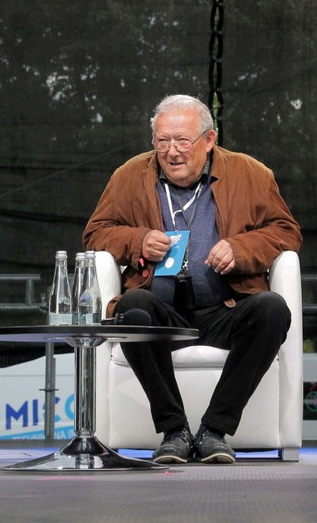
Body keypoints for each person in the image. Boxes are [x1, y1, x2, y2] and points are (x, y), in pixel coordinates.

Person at [84, 94, 302, 464]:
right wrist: (137, 240)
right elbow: (96, 233)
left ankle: (214, 430)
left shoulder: (251, 173)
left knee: (271, 309)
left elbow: (286, 231)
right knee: (133, 308)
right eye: (162, 141)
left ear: (209, 140)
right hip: (162, 312)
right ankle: (174, 431)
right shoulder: (128, 176)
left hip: (225, 308)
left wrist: (241, 248)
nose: (172, 152)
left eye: (183, 141)